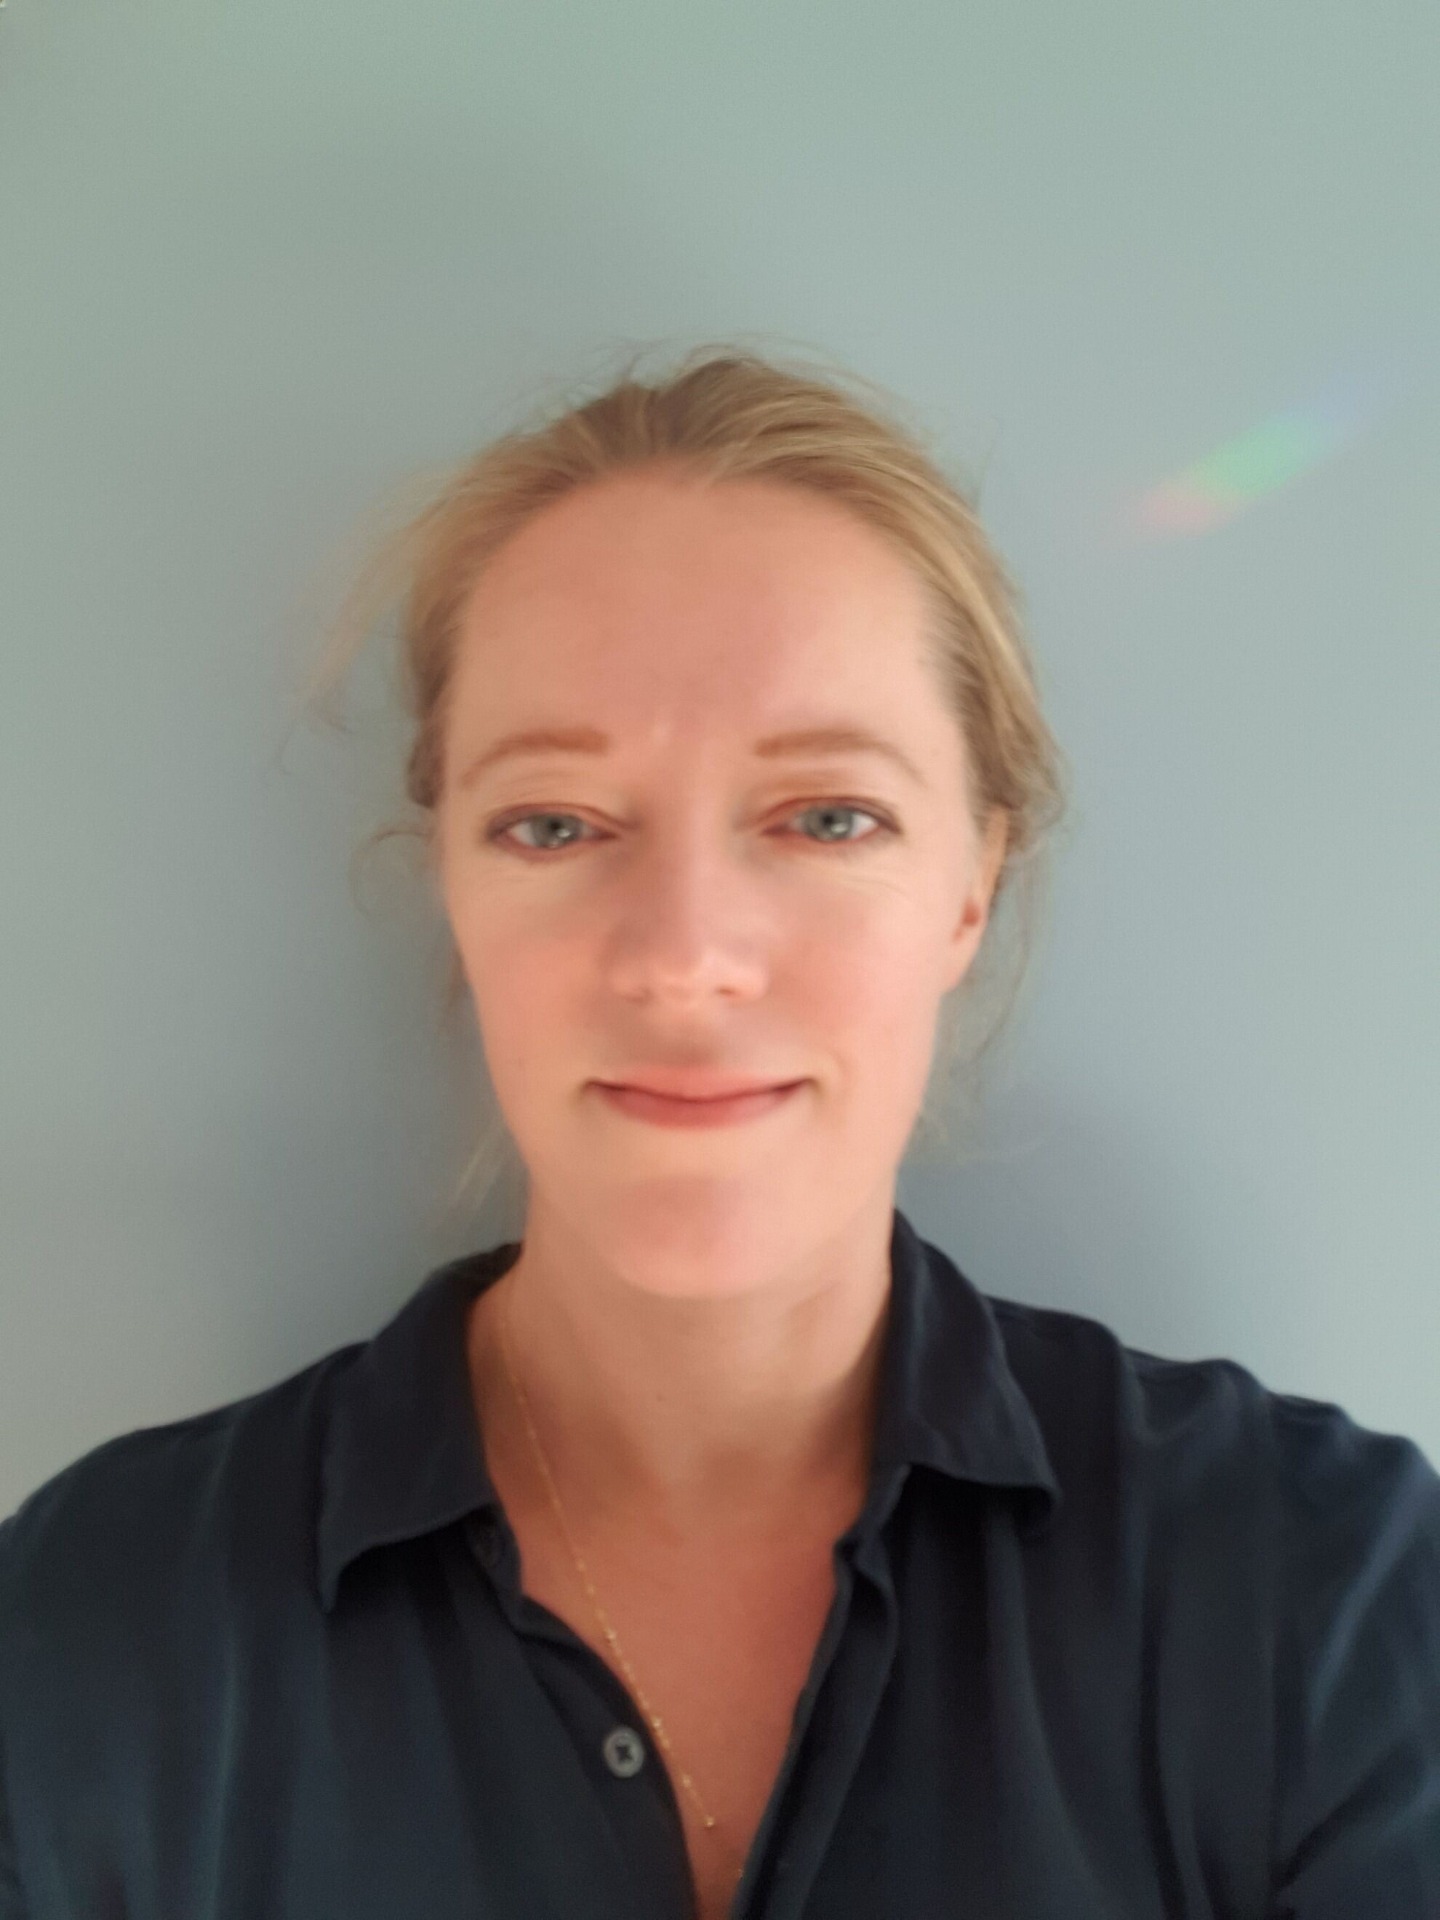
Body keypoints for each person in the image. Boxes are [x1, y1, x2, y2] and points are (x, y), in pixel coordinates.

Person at [1, 347, 1437, 1920]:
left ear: (972, 885)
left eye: (829, 817)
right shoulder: (83, 1635)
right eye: (554, 823)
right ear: (451, 883)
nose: (684, 957)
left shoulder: (1325, 1598)